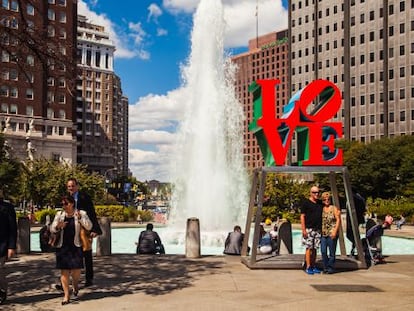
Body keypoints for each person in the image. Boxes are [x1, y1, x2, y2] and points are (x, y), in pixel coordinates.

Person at [50, 195, 92, 305]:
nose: (64, 206)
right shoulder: (59, 214)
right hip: (63, 246)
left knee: (76, 271)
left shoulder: (81, 213)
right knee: (64, 272)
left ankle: (75, 284)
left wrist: (80, 218)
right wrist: (58, 226)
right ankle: (66, 296)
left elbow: (89, 226)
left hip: (76, 245)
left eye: (66, 203)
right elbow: (52, 228)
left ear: (72, 203)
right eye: (62, 204)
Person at [67, 178, 101, 287]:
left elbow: (92, 213)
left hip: (83, 228)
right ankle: (66, 281)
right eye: (69, 186)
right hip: (71, 228)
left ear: (77, 186)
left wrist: (95, 229)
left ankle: (89, 278)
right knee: (70, 255)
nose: (71, 188)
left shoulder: (84, 197)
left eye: (72, 186)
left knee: (86, 254)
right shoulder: (66, 198)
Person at [300, 186, 323, 275]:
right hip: (309, 229)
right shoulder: (306, 203)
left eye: (317, 192)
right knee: (309, 248)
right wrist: (303, 229)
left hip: (317, 229)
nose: (316, 194)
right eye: (314, 192)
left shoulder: (320, 203)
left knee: (315, 248)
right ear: (310, 193)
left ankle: (313, 265)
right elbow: (302, 216)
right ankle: (308, 266)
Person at [0, 191, 17, 305]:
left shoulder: (7, 207)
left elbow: (13, 228)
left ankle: (2, 291)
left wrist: (11, 246)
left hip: (2, 244)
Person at [320, 192, 341, 274]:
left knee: (332, 252)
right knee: (323, 251)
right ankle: (325, 267)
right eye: (325, 199)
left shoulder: (334, 208)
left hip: (332, 233)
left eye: (328, 199)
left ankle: (330, 267)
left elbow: (338, 219)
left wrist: (335, 231)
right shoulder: (321, 209)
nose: (326, 200)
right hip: (323, 233)